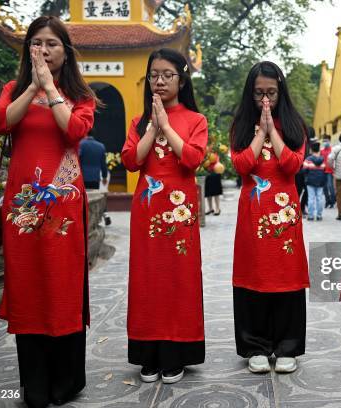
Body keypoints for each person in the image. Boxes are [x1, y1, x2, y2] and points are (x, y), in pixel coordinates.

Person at [0, 16, 96, 407]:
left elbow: (73, 132)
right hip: (23, 207)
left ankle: (66, 382)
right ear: (27, 49)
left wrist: (49, 89)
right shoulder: (12, 90)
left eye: (52, 44)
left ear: (65, 53)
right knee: (29, 285)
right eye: (37, 43)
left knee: (62, 283)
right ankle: (34, 384)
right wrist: (32, 86)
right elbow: (0, 122)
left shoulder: (80, 96)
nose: (44, 50)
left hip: (63, 206)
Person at [121, 48, 208, 384]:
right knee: (147, 279)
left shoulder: (195, 120)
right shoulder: (137, 121)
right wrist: (150, 128)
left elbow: (191, 159)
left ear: (181, 80)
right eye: (154, 74)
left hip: (179, 210)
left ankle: (176, 354)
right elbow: (131, 161)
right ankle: (148, 353)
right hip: (146, 211)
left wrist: (166, 126)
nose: (159, 81)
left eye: (167, 75)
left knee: (178, 278)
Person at [230, 61, 309, 374]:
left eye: (272, 93)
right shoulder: (240, 126)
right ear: (250, 93)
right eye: (259, 93)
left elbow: (291, 166)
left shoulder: (294, 126)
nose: (265, 100)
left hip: (283, 212)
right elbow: (242, 165)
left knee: (286, 276)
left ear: (281, 92)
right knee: (254, 276)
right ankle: (256, 346)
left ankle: (287, 346)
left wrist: (272, 131)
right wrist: (258, 132)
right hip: (253, 212)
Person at [303, 141, 326, 221]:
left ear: (311, 150)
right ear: (319, 149)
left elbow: (304, 170)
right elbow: (324, 169)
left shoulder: (308, 159)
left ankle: (311, 216)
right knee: (319, 198)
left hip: (310, 181)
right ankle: (319, 215)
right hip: (320, 181)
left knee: (311, 198)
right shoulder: (322, 159)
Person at [320, 134, 336, 208]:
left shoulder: (332, 150)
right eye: (324, 141)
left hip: (330, 171)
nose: (325, 142)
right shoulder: (321, 151)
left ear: (329, 141)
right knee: (324, 187)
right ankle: (327, 201)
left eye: (326, 141)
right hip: (323, 171)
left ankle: (332, 201)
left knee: (330, 186)